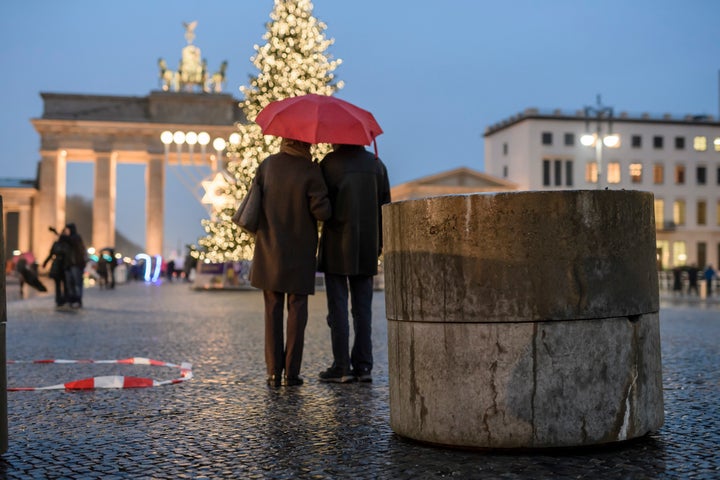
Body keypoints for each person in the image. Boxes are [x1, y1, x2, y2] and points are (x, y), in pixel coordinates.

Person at [249, 137, 331, 387]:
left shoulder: (267, 165)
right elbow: (322, 212)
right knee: (297, 312)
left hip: (269, 249)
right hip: (299, 252)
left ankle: (273, 372)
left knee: (272, 310)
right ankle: (291, 374)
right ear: (306, 144)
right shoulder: (310, 170)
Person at [317, 144, 391, 383]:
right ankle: (363, 366)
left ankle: (341, 367)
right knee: (363, 310)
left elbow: (322, 207)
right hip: (367, 245)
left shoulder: (329, 164)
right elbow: (385, 208)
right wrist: (379, 243)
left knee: (337, 308)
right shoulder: (377, 165)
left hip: (337, 245)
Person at [42, 233, 73, 307]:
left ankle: (58, 300)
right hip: (63, 266)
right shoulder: (66, 245)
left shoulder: (56, 245)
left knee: (58, 285)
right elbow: (69, 256)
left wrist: (45, 263)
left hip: (57, 266)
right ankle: (65, 299)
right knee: (65, 284)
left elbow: (50, 254)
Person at [64, 223, 88, 308]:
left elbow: (70, 240)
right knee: (70, 284)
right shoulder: (68, 239)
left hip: (76, 264)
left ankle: (78, 300)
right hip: (68, 265)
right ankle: (72, 300)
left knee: (77, 283)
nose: (65, 231)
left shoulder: (76, 238)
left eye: (67, 229)